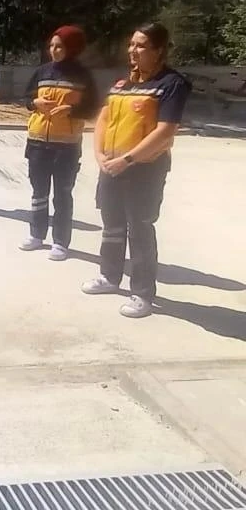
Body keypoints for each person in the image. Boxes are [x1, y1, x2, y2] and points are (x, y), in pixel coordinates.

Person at [81, 22, 191, 318]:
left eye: (141, 45)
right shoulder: (122, 84)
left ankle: (142, 293)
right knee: (112, 225)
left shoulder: (171, 84)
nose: (133, 50)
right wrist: (100, 155)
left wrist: (127, 160)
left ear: (158, 50)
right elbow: (103, 120)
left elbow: (165, 131)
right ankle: (109, 276)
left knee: (140, 229)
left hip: (144, 170)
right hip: (111, 166)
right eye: (132, 44)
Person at [19, 25, 99, 260]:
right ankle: (36, 234)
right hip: (37, 143)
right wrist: (34, 103)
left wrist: (71, 110)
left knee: (62, 194)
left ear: (72, 48)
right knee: (38, 192)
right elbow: (26, 98)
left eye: (59, 47)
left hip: (66, 147)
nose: (53, 50)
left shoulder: (83, 75)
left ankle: (61, 242)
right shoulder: (42, 72)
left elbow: (93, 107)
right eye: (51, 46)